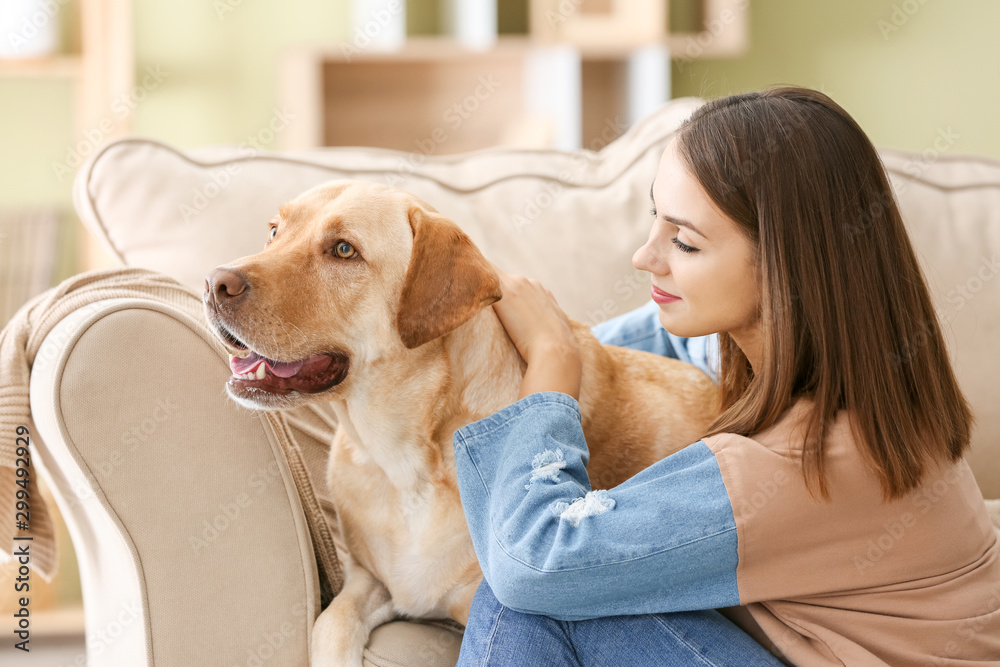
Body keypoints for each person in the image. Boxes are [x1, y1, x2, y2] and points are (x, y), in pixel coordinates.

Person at [449, 87, 1000, 666]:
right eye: (654, 217)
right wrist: (543, 348)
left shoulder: (801, 464)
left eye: (684, 241)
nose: (646, 255)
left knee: (525, 593)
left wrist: (552, 361)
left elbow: (533, 560)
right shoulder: (856, 377)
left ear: (785, 268)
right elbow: (657, 340)